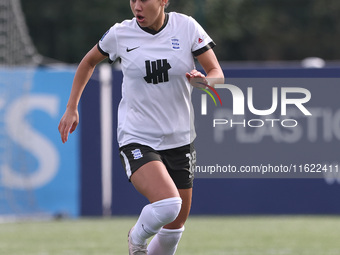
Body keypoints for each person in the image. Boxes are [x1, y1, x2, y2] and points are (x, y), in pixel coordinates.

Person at [58, 0, 224, 254]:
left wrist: (205, 82)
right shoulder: (119, 33)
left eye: (143, 0)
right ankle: (136, 238)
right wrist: (72, 107)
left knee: (174, 227)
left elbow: (216, 72)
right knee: (169, 205)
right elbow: (88, 62)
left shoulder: (187, 26)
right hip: (138, 137)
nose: (136, 6)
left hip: (181, 138)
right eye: (132, 0)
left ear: (163, 1)